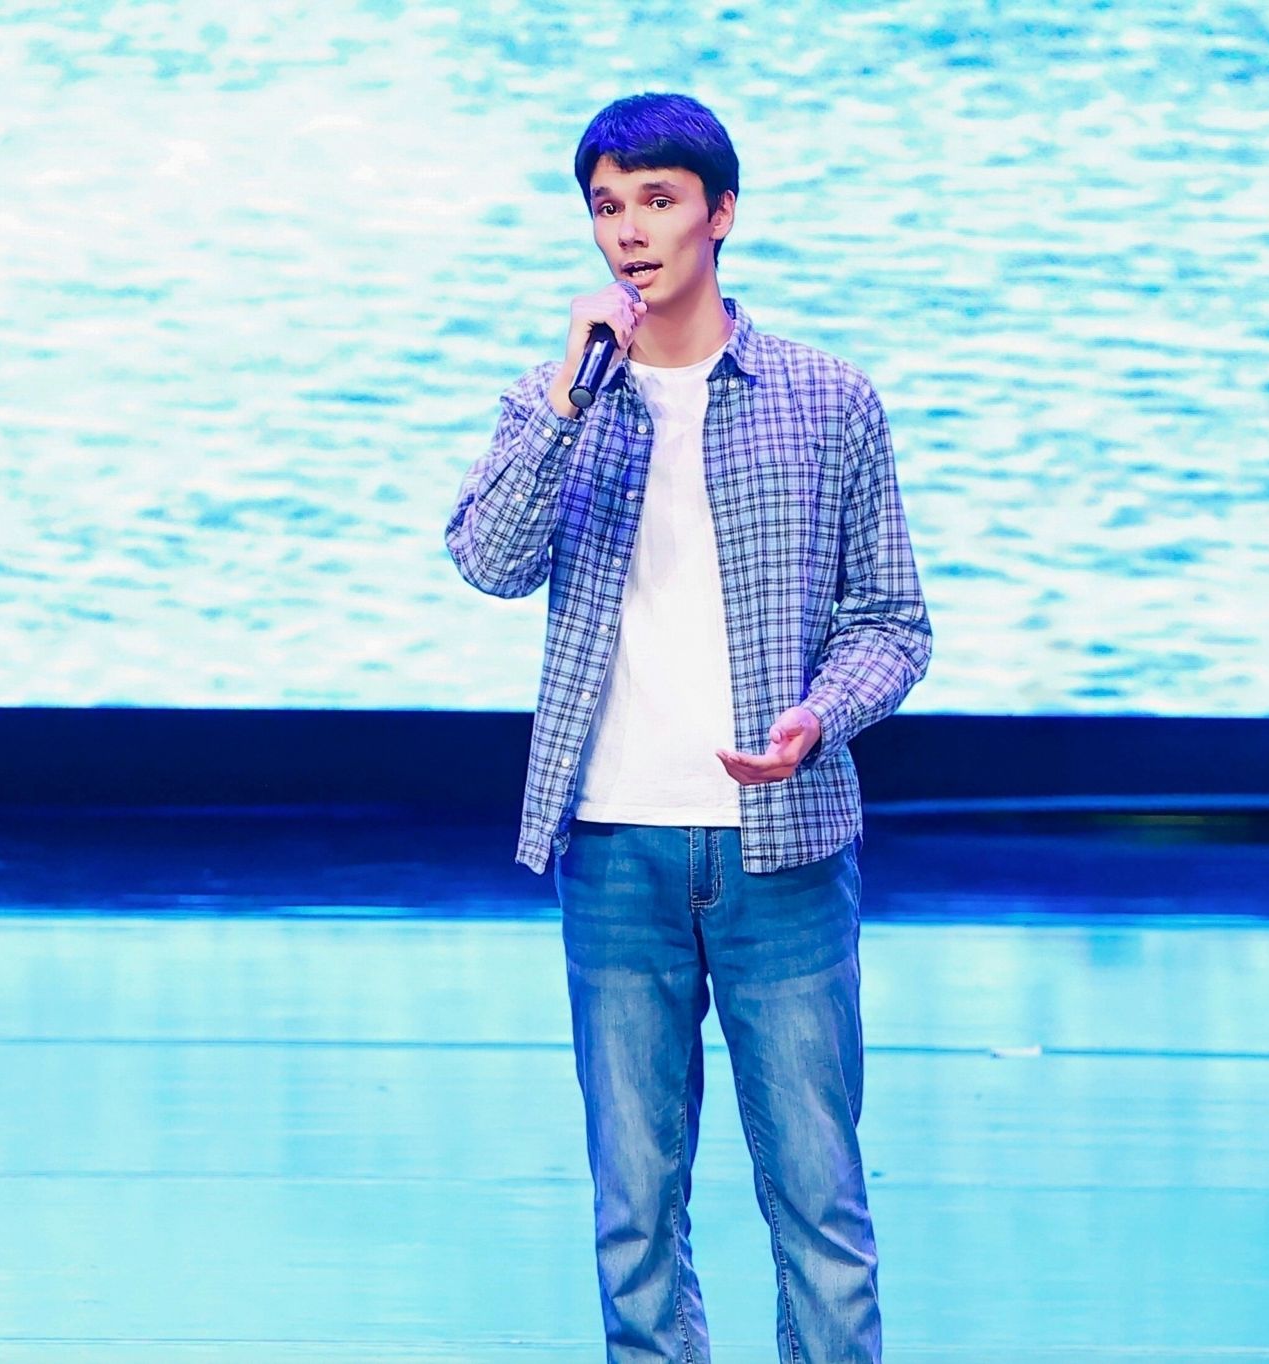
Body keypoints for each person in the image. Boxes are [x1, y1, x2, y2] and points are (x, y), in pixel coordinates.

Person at [445, 91, 931, 1364]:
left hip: (782, 847)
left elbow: (892, 622)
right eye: (606, 206)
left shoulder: (825, 398)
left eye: (656, 201)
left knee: (819, 1206)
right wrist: (566, 397)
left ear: (720, 213)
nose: (628, 231)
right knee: (634, 1215)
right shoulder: (553, 400)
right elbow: (488, 561)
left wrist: (818, 716)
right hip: (615, 844)